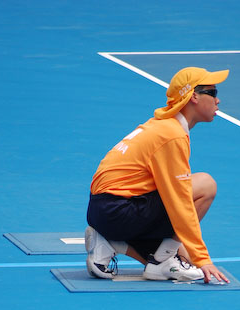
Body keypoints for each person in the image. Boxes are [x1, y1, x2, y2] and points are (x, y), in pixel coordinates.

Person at [85, 66, 230, 284]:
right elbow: (180, 202)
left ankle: (110, 244)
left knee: (184, 257)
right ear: (193, 97)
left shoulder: (163, 126)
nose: (218, 100)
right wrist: (202, 259)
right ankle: (162, 260)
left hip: (105, 210)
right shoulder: (172, 135)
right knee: (205, 185)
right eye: (213, 93)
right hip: (118, 211)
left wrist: (188, 255)